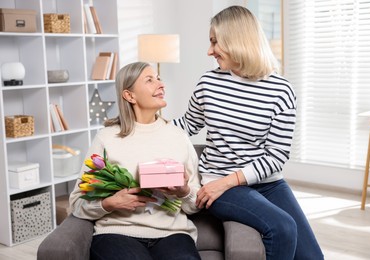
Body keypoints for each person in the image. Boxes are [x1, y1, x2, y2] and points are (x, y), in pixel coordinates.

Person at [173, 5, 324, 260]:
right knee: (282, 227)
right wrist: (140, 123)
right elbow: (189, 124)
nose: (209, 51)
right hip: (219, 181)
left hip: (265, 183)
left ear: (236, 41)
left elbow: (276, 155)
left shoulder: (281, 90)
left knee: (312, 257)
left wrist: (227, 181)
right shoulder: (209, 83)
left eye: (214, 42)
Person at [69, 62, 202, 260]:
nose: (161, 84)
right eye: (150, 80)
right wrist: (108, 204)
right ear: (129, 96)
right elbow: (76, 203)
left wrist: (184, 191)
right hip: (116, 233)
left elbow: (195, 205)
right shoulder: (106, 138)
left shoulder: (179, 137)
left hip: (173, 234)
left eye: (159, 78)